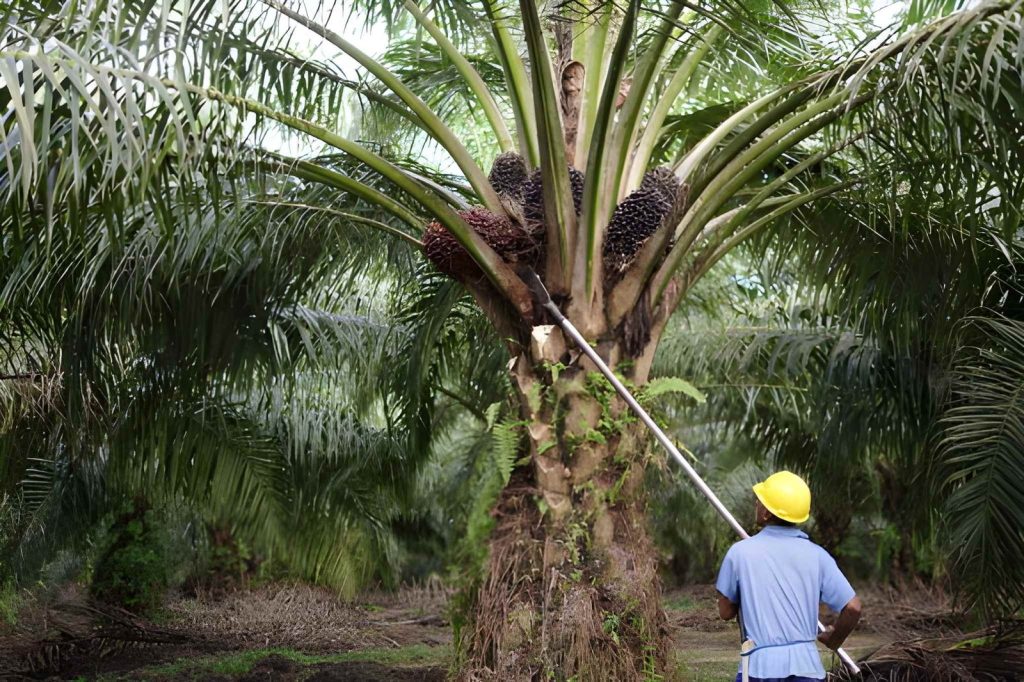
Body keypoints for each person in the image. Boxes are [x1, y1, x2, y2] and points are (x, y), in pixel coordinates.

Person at [715, 471, 862, 682]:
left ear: (766, 513)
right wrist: (835, 640)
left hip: (758, 668)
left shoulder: (739, 554)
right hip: (807, 668)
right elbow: (853, 607)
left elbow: (725, 611)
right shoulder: (818, 555)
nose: (756, 503)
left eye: (760, 500)